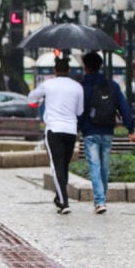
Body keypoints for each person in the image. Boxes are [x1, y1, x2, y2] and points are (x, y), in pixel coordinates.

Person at [78, 51, 135, 215]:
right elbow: (124, 107)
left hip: (90, 131)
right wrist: (130, 129)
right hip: (107, 130)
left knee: (94, 166)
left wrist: (79, 128)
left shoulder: (83, 86)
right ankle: (101, 198)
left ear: (86, 67)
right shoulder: (111, 85)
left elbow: (79, 111)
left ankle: (100, 201)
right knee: (104, 166)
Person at [28, 57, 84, 215]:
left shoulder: (48, 85)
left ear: (55, 70)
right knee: (64, 165)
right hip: (71, 130)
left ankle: (64, 200)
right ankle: (60, 198)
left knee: (56, 165)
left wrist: (44, 97)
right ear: (69, 70)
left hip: (53, 129)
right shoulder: (77, 87)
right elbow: (80, 111)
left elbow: (31, 97)